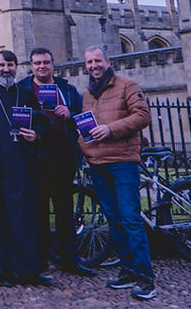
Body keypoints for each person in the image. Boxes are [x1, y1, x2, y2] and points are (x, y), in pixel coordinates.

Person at [80, 46, 155, 301]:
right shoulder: (88, 94)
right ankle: (128, 269)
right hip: (98, 163)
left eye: (97, 61)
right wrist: (85, 147)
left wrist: (110, 130)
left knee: (130, 217)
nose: (93, 65)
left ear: (107, 61)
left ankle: (146, 277)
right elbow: (85, 127)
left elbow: (143, 116)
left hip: (123, 161)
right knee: (114, 218)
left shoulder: (127, 85)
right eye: (89, 62)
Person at [0, 49, 49, 287]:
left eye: (10, 64)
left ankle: (29, 269)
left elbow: (41, 124)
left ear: (17, 66)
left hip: (22, 165)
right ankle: (5, 270)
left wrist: (35, 134)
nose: (6, 69)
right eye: (2, 65)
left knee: (26, 217)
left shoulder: (26, 94)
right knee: (2, 218)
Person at [17, 46, 94, 276]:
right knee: (38, 213)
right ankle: (40, 262)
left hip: (63, 158)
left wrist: (70, 114)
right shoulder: (22, 89)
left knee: (64, 212)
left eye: (46, 62)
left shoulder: (67, 89)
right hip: (35, 160)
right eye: (37, 63)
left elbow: (82, 120)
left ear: (53, 64)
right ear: (31, 65)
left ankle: (71, 260)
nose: (42, 66)